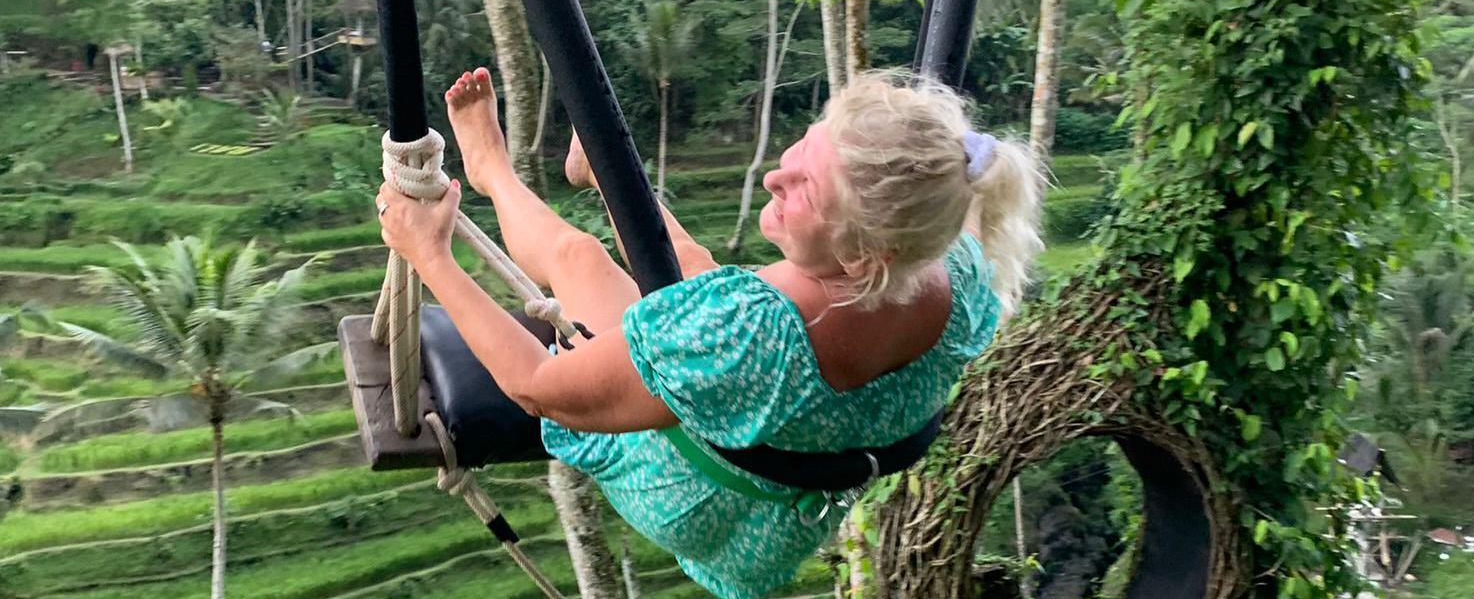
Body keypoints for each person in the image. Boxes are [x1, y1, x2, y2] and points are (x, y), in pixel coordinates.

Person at [376, 67, 1042, 599]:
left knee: (577, 258)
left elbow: (537, 387)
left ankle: (490, 167)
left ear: (867, 259)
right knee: (694, 280)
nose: (774, 178)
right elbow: (712, 288)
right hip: (784, 516)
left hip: (701, 499)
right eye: (801, 151)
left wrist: (429, 254)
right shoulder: (959, 268)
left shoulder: (756, 337)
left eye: (803, 191)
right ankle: (602, 177)